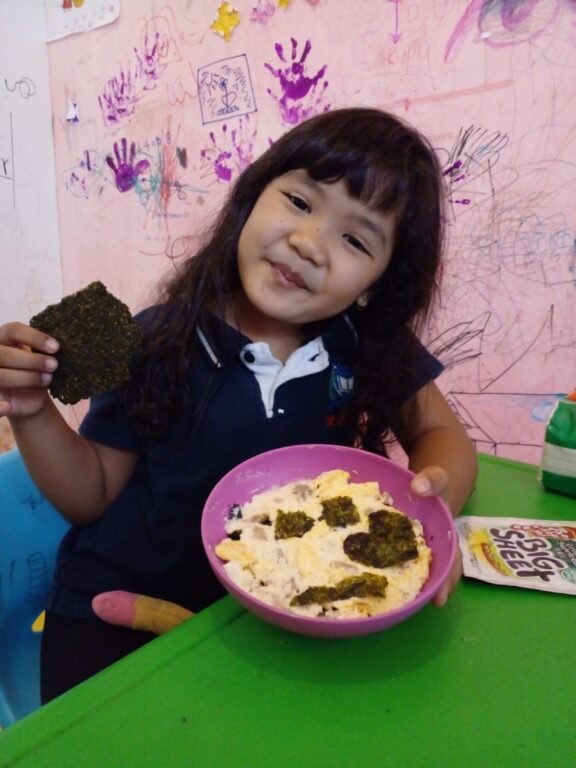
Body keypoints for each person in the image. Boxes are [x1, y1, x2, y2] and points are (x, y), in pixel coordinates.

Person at [0, 107, 477, 702]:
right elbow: (89, 494)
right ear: (252, 198)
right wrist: (31, 409)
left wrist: (434, 509)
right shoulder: (156, 340)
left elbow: (443, 437)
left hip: (269, 615)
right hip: (119, 609)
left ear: (376, 283)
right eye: (299, 202)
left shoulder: (368, 347)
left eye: (355, 240)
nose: (308, 244)